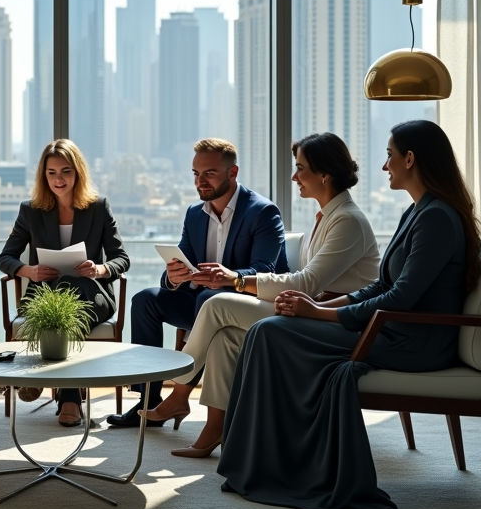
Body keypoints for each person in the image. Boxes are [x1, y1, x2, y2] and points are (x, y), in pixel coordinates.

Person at [217, 120, 481, 509]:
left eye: (390, 155)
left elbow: (402, 298)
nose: (384, 166)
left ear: (410, 159)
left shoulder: (436, 218)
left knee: (271, 332)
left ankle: (273, 464)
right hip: (391, 328)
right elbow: (381, 287)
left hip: (411, 341)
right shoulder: (419, 212)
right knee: (266, 331)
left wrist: (322, 316)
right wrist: (321, 309)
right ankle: (258, 461)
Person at [140, 132, 380, 456]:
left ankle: (180, 393)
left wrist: (234, 281)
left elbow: (306, 282)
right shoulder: (326, 217)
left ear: (324, 174)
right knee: (224, 334)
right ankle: (213, 429)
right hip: (307, 309)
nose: (294, 176)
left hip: (332, 321)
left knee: (217, 304)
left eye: (301, 168)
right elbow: (305, 282)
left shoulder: (347, 220)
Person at [107, 138, 288, 428]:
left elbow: (264, 269)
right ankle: (149, 400)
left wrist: (225, 277)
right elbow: (181, 265)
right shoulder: (194, 214)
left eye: (209, 173)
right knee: (145, 300)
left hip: (247, 303)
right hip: (201, 300)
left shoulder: (263, 212)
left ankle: (179, 398)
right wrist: (174, 277)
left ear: (233, 172)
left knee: (208, 299)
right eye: (195, 174)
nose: (200, 181)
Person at [0, 139, 131, 426]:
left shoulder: (98, 208)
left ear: (78, 173)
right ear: (43, 176)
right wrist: (29, 271)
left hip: (92, 295)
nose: (59, 179)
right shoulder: (31, 210)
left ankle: (49, 379)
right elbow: (5, 258)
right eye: (52, 172)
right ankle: (68, 396)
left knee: (69, 291)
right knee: (60, 295)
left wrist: (99, 269)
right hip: (44, 294)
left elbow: (121, 258)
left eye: (66, 171)